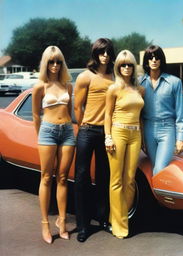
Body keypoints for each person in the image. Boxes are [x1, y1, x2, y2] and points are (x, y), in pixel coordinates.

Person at [32, 46, 75, 244]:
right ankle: (44, 224)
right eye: (51, 62)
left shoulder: (67, 85)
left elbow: (71, 112)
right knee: (47, 177)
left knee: (64, 177)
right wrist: (40, 136)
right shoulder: (40, 86)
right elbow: (35, 115)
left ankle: (62, 221)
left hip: (67, 131)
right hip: (47, 132)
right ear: (45, 63)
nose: (55, 65)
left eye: (58, 61)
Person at [74, 38, 116, 242]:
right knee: (81, 177)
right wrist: (84, 126)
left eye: (108, 52)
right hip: (87, 131)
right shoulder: (85, 76)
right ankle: (82, 225)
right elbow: (77, 106)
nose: (105, 56)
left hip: (107, 133)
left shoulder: (115, 77)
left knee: (104, 176)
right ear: (95, 54)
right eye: (101, 52)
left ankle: (103, 219)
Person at [104, 50, 144, 239]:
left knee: (130, 180)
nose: (126, 68)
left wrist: (143, 138)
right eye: (123, 65)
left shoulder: (139, 90)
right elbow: (107, 115)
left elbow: (142, 117)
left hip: (135, 134)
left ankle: (117, 217)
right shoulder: (114, 89)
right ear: (118, 67)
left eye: (129, 64)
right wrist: (108, 137)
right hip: (118, 132)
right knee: (116, 180)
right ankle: (120, 225)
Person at [140, 45, 183, 176]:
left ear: (162, 60)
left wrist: (181, 139)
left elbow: (181, 112)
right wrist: (141, 137)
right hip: (148, 129)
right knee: (155, 167)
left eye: (157, 57)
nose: (154, 60)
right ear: (146, 61)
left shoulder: (175, 82)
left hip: (167, 130)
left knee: (159, 169)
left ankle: (155, 196)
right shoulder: (139, 83)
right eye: (150, 58)